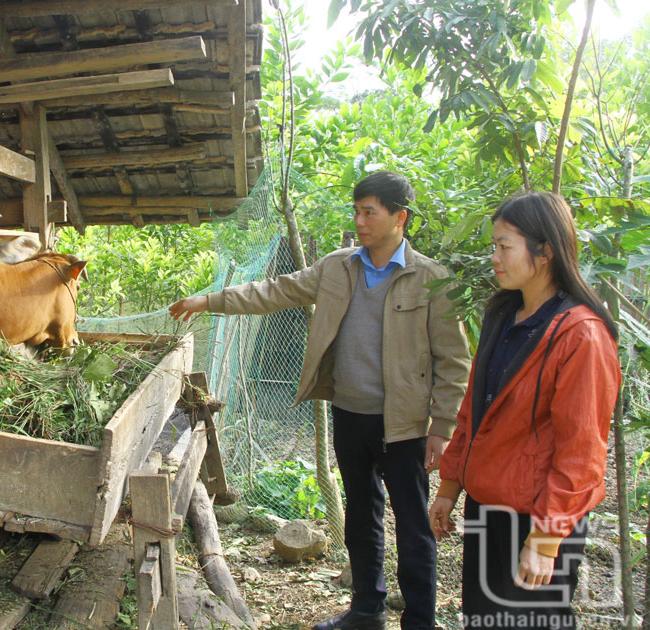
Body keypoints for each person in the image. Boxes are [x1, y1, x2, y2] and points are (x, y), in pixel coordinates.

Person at [170, 171, 471, 630]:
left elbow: (455, 362)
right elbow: (275, 291)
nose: (360, 221)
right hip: (349, 414)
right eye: (357, 211)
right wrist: (208, 301)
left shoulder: (431, 280)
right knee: (360, 515)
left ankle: (420, 620)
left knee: (412, 526)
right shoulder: (338, 266)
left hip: (405, 425)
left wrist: (442, 429)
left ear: (400, 217)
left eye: (370, 212)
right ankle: (367, 610)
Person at [428, 192, 621, 630]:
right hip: (486, 506)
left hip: (536, 517)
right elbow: (475, 413)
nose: (493, 257)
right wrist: (450, 487)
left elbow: (582, 453)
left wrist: (546, 540)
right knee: (484, 619)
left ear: (545, 251)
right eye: (493, 245)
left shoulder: (580, 335)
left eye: (504, 246)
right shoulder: (505, 314)